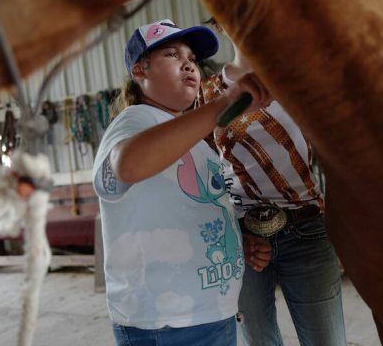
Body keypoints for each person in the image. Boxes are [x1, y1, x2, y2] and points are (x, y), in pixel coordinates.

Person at [92, 19, 272, 346]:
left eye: (192, 58)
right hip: (166, 324)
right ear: (140, 71)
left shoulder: (189, 138)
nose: (189, 64)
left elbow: (186, 209)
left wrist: (235, 242)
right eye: (172, 54)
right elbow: (125, 166)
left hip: (209, 314)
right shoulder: (135, 121)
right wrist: (221, 106)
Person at [199, 19, 347, 346]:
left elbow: (338, 151)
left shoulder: (302, 79)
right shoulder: (207, 92)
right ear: (221, 24)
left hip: (308, 226)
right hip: (242, 236)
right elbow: (204, 172)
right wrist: (232, 235)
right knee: (258, 341)